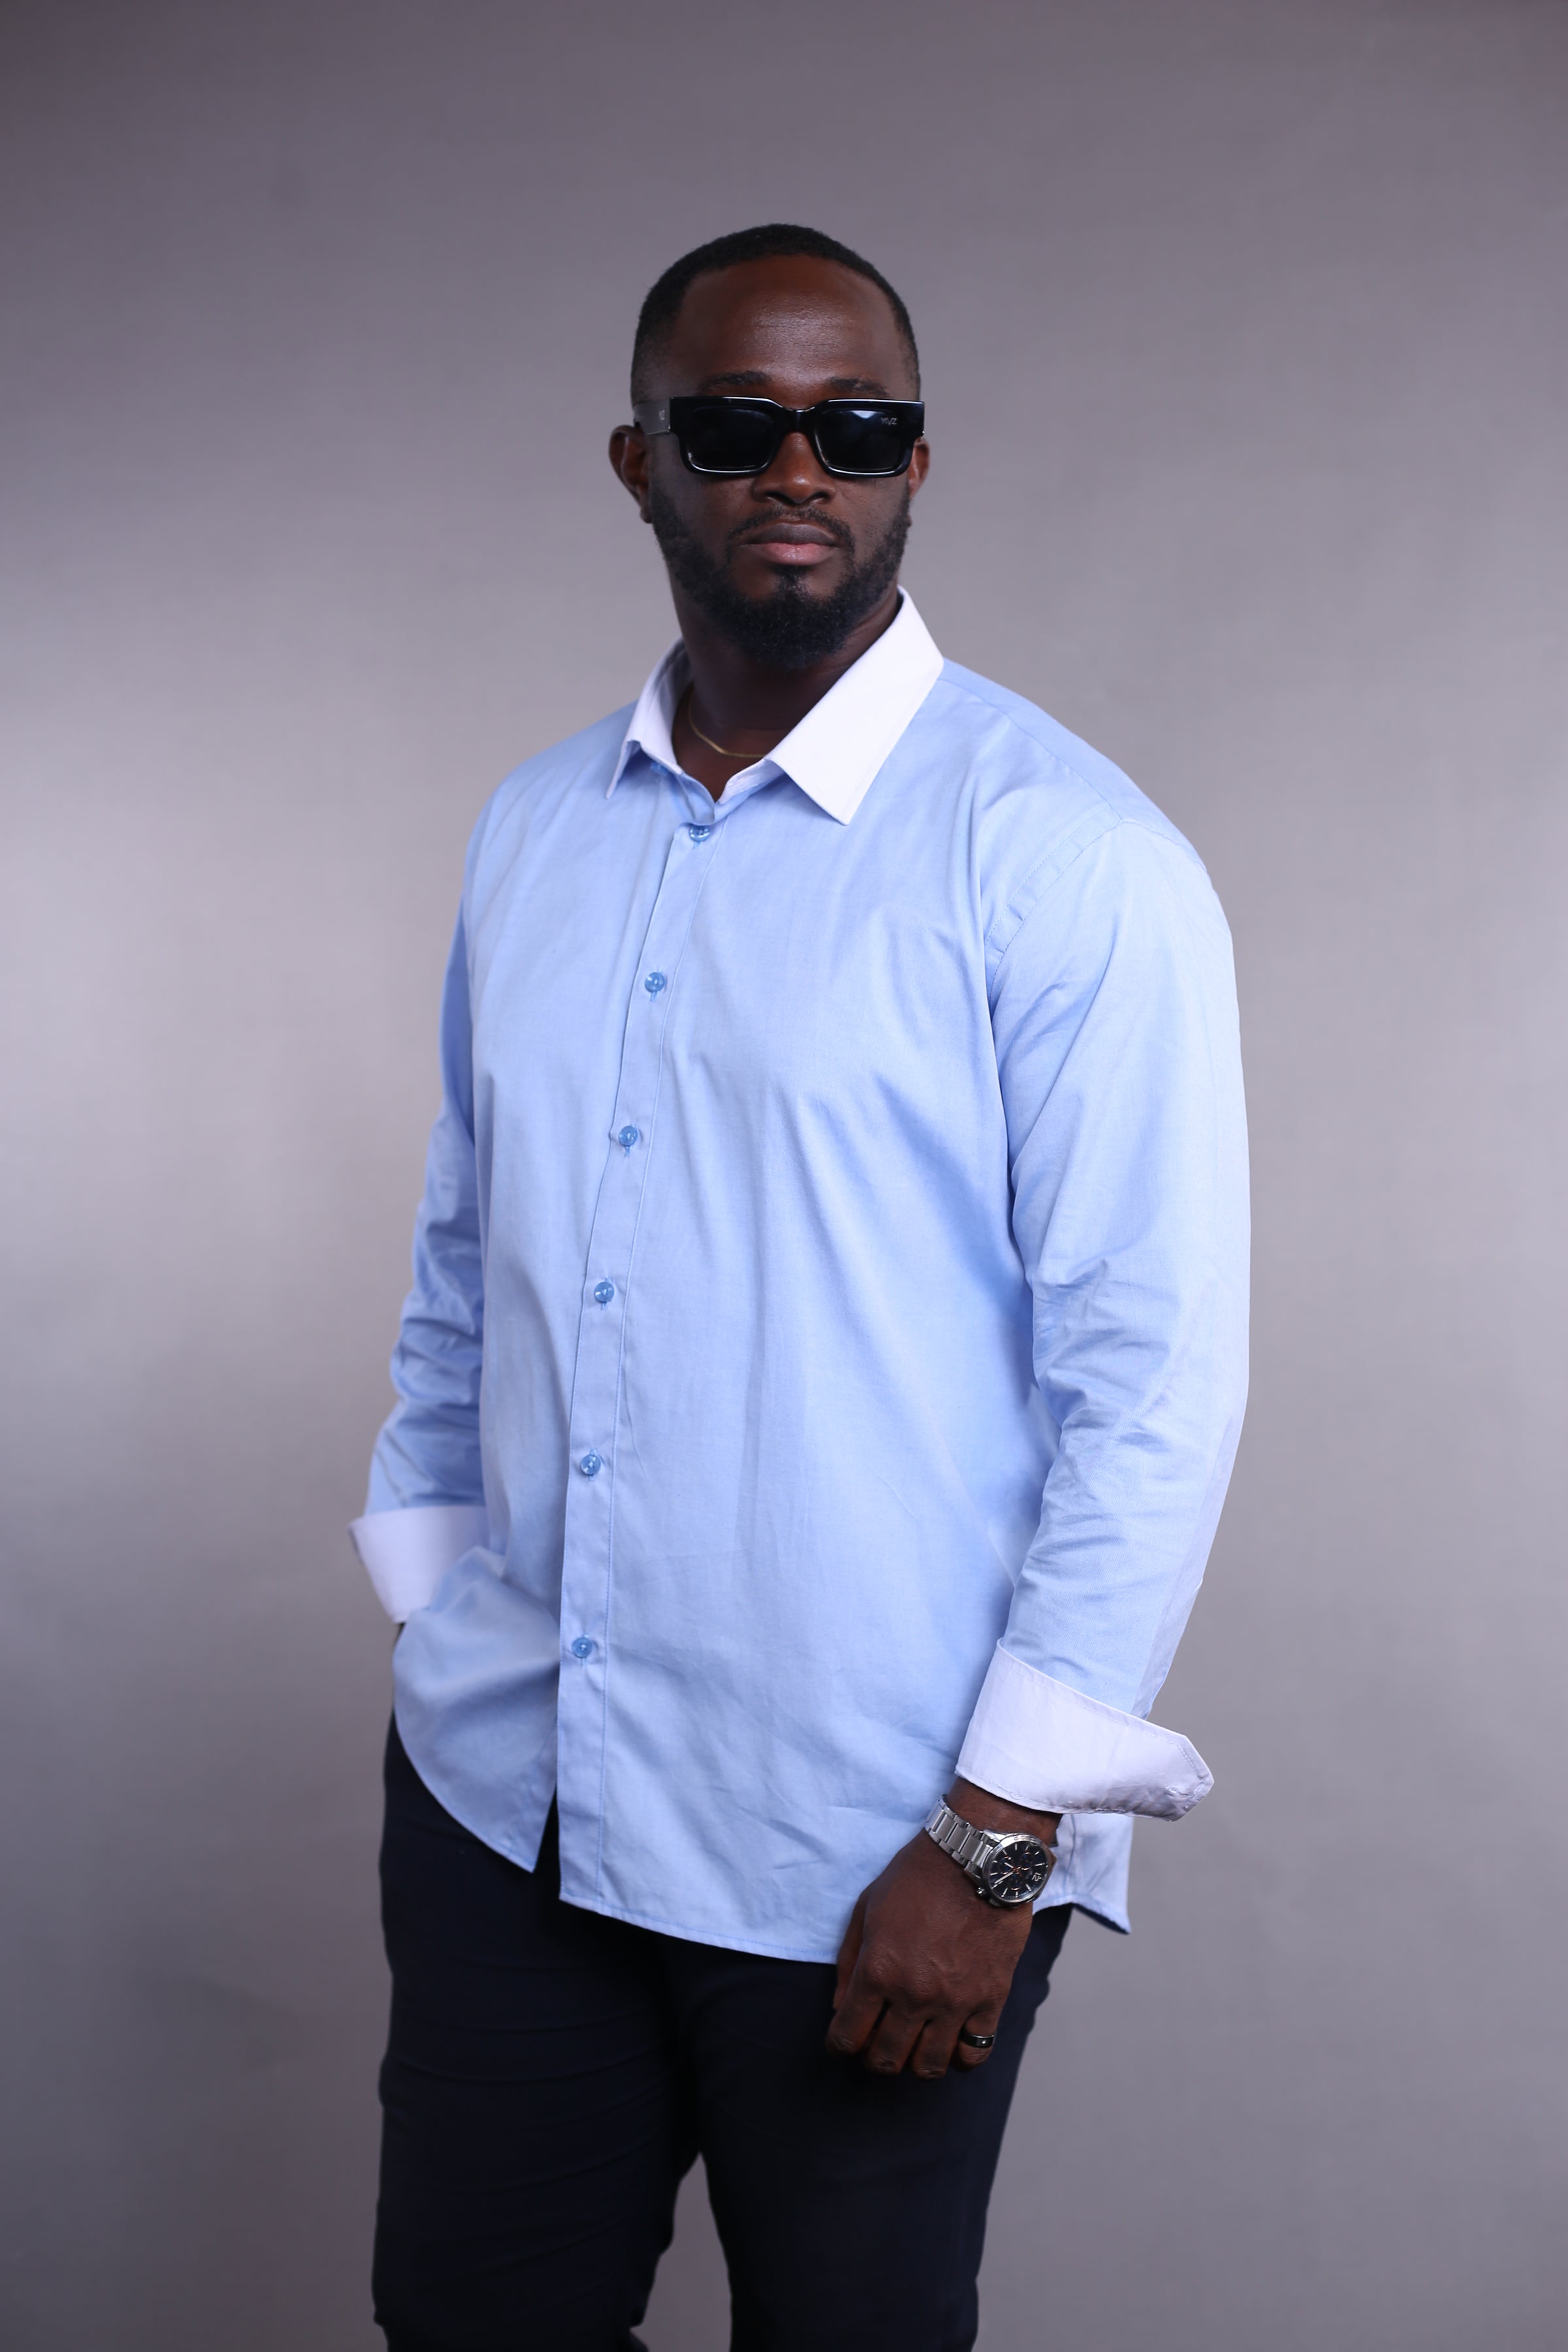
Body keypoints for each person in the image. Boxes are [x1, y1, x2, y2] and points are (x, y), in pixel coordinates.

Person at [351, 222, 1249, 2352]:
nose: (795, 472)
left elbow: (1155, 1386)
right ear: (637, 460)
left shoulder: (1064, 857)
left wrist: (999, 1848)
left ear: (917, 464)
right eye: (735, 423)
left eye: (855, 428)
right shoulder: (534, 830)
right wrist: (442, 1605)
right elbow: (468, 1251)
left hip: (870, 1856)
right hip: (511, 1802)